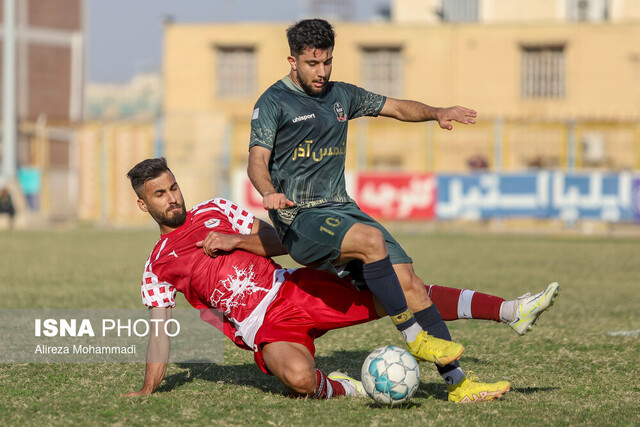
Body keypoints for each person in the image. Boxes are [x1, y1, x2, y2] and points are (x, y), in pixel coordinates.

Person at [247, 18, 559, 399]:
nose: (322, 72)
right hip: (299, 218)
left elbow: (394, 107)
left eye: (327, 62)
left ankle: (460, 385)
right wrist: (268, 193)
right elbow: (257, 161)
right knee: (371, 239)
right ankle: (414, 336)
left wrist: (437, 111)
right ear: (292, 60)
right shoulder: (273, 102)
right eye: (313, 64)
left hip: (342, 208)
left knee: (410, 283)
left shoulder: (340, 95)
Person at [124, 158, 557, 402]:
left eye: (174, 187)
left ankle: (509, 310)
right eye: (160, 195)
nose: (173, 198)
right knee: (297, 379)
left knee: (402, 291)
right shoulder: (157, 266)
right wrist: (148, 388)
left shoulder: (217, 210)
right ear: (144, 206)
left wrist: (236, 239)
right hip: (265, 329)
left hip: (294, 289)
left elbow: (283, 241)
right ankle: (343, 387)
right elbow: (159, 334)